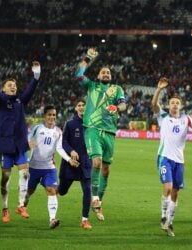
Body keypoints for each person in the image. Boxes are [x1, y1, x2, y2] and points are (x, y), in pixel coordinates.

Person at [76, 48, 126, 221]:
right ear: (98, 76)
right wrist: (88, 57)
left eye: (108, 72)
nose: (106, 73)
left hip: (110, 132)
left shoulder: (117, 89)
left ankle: (98, 202)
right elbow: (79, 73)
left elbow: (124, 106)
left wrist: (116, 108)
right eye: (103, 72)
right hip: (93, 129)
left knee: (106, 170)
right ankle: (95, 198)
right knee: (96, 162)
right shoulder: (92, 86)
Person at [151, 77, 192, 237]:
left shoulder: (186, 119)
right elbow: (154, 105)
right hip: (164, 157)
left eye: (177, 103)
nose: (174, 105)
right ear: (169, 105)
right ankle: (163, 215)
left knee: (175, 193)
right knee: (167, 187)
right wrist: (159, 89)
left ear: (180, 106)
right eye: (172, 102)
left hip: (179, 161)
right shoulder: (163, 117)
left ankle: (170, 222)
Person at [0, 60, 41, 223]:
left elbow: (30, 90)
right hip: (5, 146)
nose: (13, 87)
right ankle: (5, 208)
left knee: (25, 173)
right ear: (4, 89)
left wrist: (36, 75)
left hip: (20, 145)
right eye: (10, 85)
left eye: (15, 85)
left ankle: (21, 205)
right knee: (6, 177)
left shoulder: (20, 101)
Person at [24, 105, 79, 229]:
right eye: (49, 114)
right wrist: (29, 142)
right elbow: (27, 136)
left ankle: (52, 219)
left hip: (49, 167)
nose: (52, 117)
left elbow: (59, 148)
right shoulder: (37, 127)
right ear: (44, 116)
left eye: (54, 115)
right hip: (33, 167)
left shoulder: (58, 131)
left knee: (52, 190)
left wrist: (69, 159)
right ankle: (23, 205)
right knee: (29, 191)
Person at [58, 98, 93, 229]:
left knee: (87, 190)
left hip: (85, 164)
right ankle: (53, 191)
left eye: (84, 105)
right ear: (75, 108)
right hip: (70, 164)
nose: (82, 107)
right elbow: (64, 142)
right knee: (62, 191)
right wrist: (71, 151)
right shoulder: (70, 124)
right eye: (79, 105)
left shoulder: (92, 124)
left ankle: (85, 219)